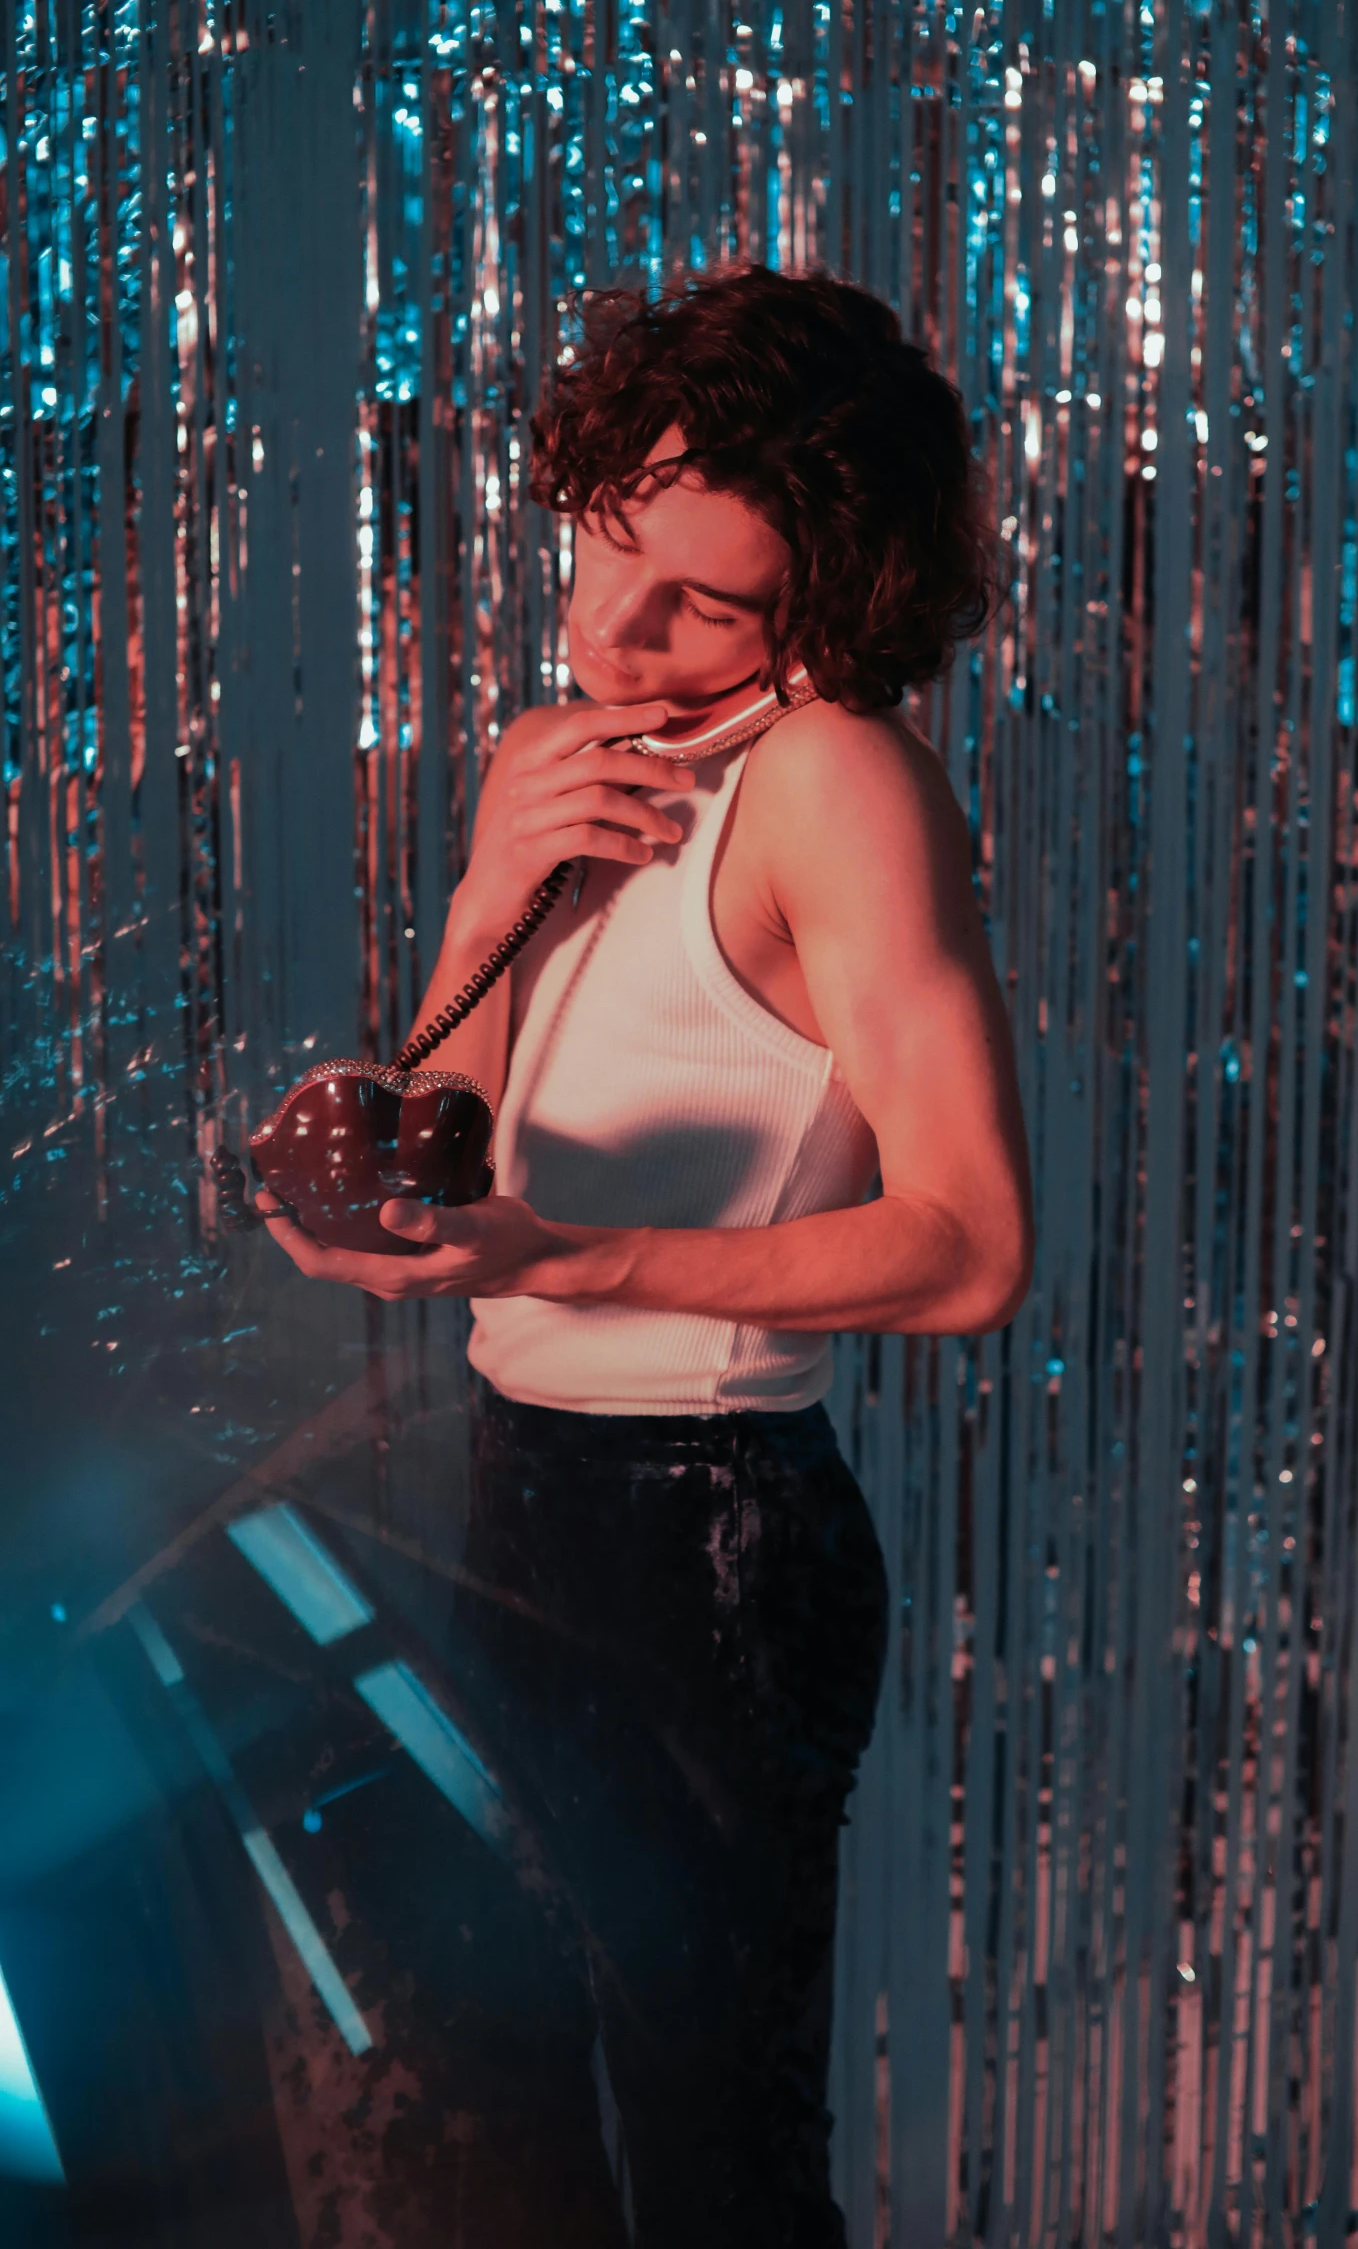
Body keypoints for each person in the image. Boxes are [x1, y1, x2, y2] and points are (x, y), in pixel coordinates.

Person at [256, 263, 1034, 2245]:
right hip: (517, 1494)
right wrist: (483, 889)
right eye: (607, 544)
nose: (616, 620)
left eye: (698, 596)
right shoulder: (591, 738)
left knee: (710, 2158)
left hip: (710, 1538)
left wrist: (568, 1256)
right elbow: (461, 1119)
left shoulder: (836, 778)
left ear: (821, 602)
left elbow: (967, 1241)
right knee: (506, 2122)